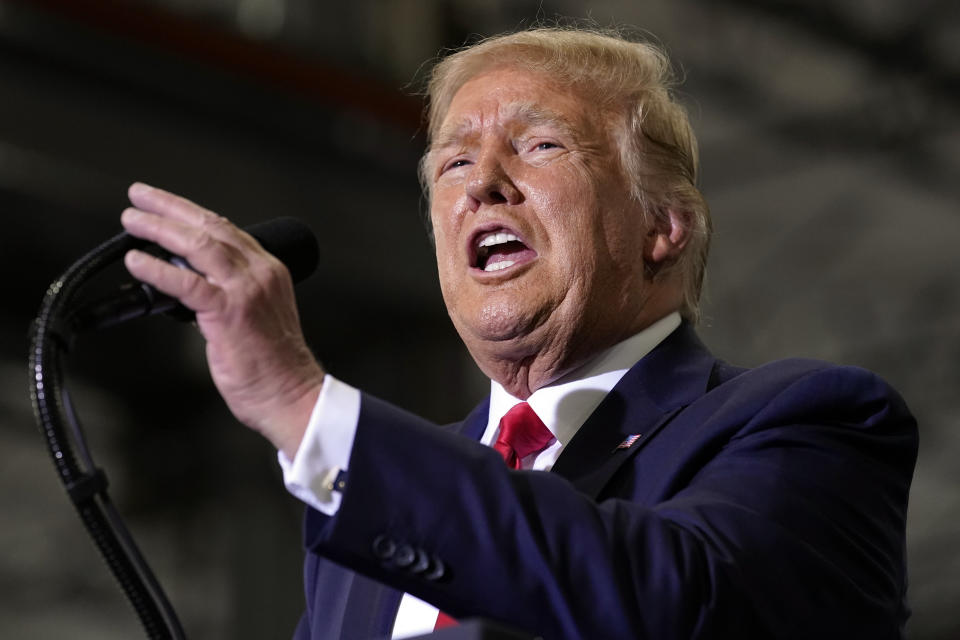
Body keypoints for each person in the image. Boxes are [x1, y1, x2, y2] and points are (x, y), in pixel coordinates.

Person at [119, 27, 917, 640]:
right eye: (454, 164)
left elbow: (672, 600)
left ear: (662, 226)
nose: (483, 185)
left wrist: (301, 402)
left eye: (540, 146)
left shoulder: (809, 423)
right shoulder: (363, 509)